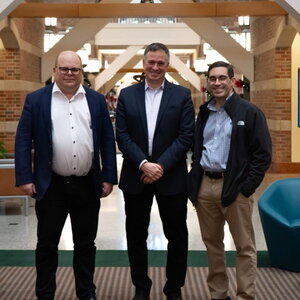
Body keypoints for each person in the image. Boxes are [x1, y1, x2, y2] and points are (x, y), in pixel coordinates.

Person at [15, 50, 118, 300]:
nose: (70, 74)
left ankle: (86, 292)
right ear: (54, 71)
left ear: (82, 72)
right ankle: (45, 293)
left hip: (87, 184)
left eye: (75, 69)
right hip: (51, 186)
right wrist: (25, 178)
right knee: (47, 245)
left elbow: (106, 140)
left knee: (85, 244)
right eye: (64, 69)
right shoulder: (36, 100)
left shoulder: (96, 100)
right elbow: (22, 141)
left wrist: (108, 177)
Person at [116, 43, 195, 300]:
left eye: (161, 63)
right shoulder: (127, 95)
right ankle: (141, 287)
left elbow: (186, 136)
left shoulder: (181, 95)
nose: (155, 67)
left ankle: (174, 288)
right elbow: (123, 135)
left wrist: (159, 166)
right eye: (151, 62)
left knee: (177, 235)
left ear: (167, 65)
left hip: (171, 176)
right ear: (143, 63)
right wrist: (143, 164)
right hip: (135, 175)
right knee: (135, 234)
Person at [188, 61, 272, 300]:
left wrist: (246, 188)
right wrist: (195, 182)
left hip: (235, 188)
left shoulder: (249, 112)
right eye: (212, 79)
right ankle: (218, 294)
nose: (217, 83)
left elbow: (262, 155)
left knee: (244, 247)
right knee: (213, 245)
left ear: (232, 80)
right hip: (206, 186)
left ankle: (245, 295)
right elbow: (198, 149)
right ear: (208, 83)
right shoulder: (204, 112)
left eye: (222, 78)